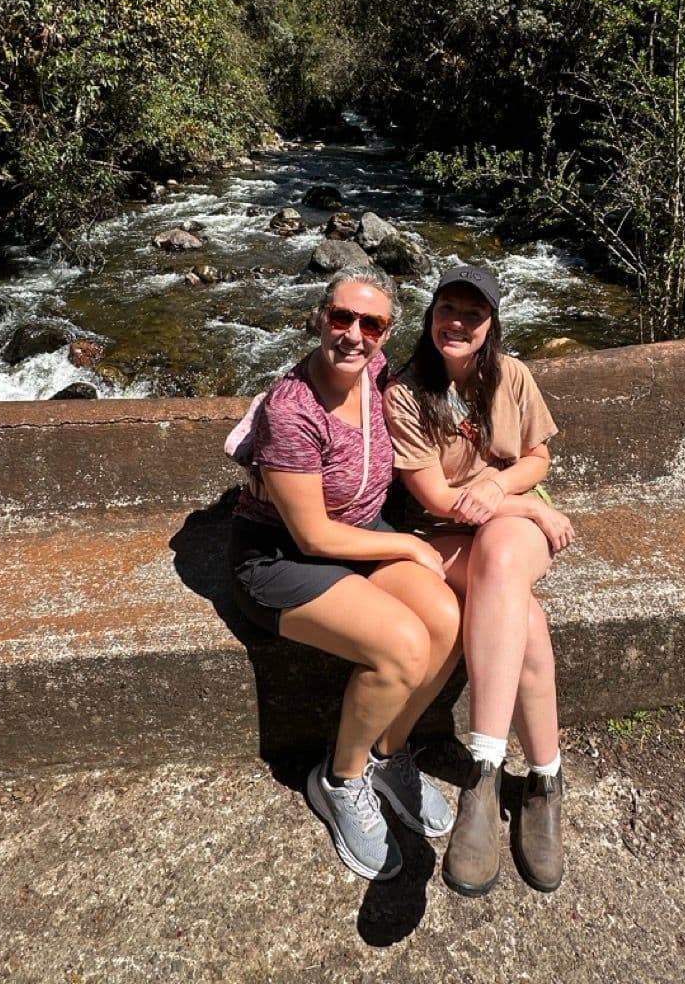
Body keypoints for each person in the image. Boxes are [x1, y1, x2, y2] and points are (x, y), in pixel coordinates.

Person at [228, 266, 462, 882]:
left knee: (445, 619)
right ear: (320, 318)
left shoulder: (379, 376)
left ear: (386, 334)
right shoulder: (293, 408)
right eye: (342, 317)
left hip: (359, 536)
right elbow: (311, 534)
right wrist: (409, 549)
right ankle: (341, 777)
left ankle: (391, 754)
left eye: (372, 323)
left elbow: (460, 379)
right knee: (401, 646)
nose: (354, 334)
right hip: (282, 558)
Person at [383, 264, 575, 897]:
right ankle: (543, 780)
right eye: (448, 309)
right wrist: (528, 506)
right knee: (527, 618)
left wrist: (503, 487)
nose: (457, 322)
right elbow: (439, 499)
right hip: (439, 533)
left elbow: (538, 457)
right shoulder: (407, 392)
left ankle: (485, 769)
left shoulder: (513, 375)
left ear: (491, 324)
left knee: (498, 556)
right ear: (431, 315)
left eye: (473, 313)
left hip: (502, 535)